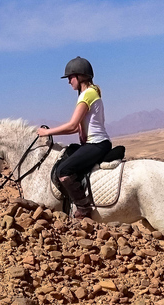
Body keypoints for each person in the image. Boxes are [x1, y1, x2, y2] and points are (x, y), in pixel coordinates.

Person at [37, 57, 112, 218]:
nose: (69, 81)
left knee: (64, 170)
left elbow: (71, 125)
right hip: (93, 144)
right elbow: (75, 128)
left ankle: (84, 208)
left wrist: (47, 133)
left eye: (71, 77)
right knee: (68, 153)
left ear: (80, 76)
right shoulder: (87, 94)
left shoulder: (88, 95)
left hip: (97, 145)